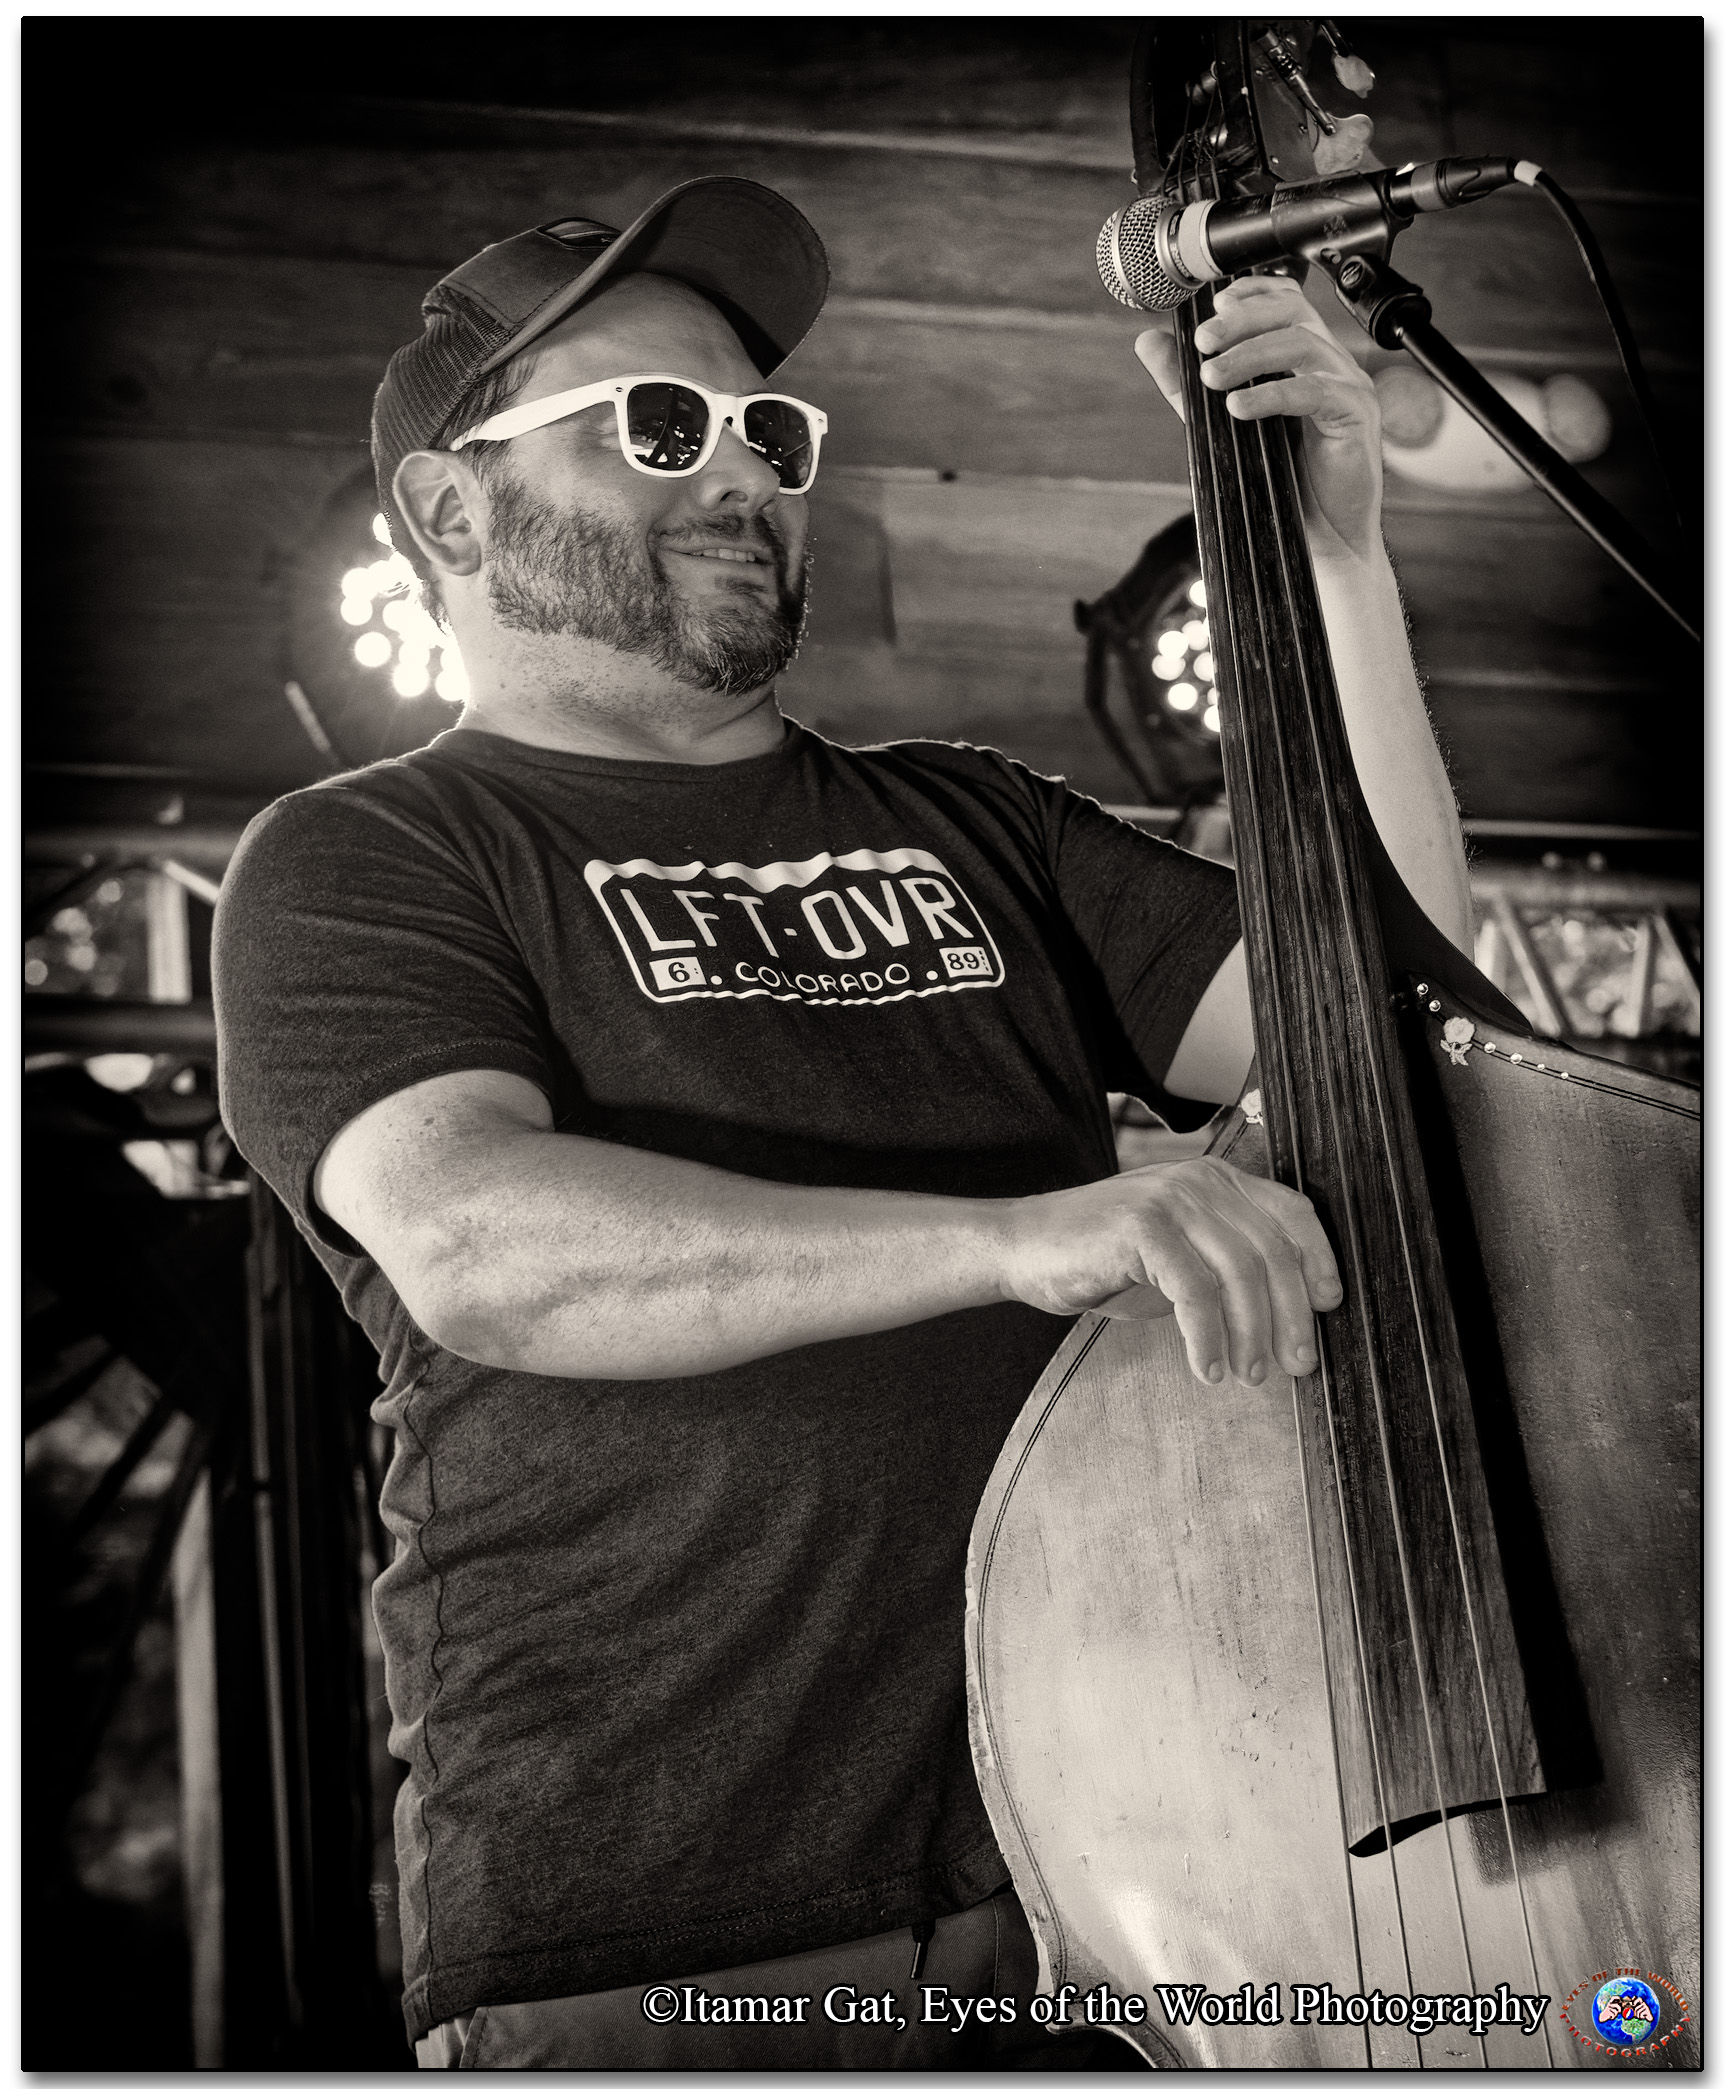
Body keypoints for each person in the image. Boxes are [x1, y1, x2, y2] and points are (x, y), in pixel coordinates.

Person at [212, 176, 1473, 2068]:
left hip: (1126, 1886)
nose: (743, 472)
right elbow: (478, 1243)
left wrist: (1338, 570)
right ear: (450, 511)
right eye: (658, 425)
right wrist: (1016, 1238)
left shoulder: (980, 820)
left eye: (768, 430)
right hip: (674, 1922)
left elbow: (1406, 1029)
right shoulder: (367, 851)